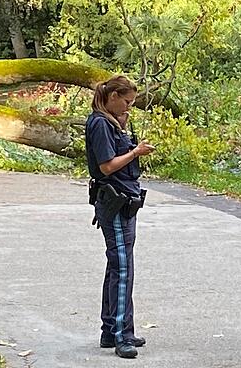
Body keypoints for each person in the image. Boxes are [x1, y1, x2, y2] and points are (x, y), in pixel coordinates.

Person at [85, 75, 155, 359]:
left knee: (117, 266)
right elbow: (105, 166)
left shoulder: (111, 123)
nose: (129, 108)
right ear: (113, 97)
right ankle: (120, 336)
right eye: (126, 102)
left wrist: (126, 136)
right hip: (115, 202)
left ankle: (110, 328)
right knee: (123, 268)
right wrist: (136, 152)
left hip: (126, 200)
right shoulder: (100, 123)